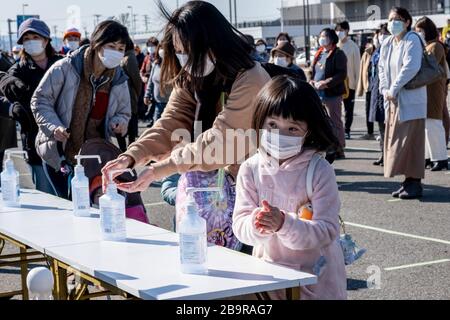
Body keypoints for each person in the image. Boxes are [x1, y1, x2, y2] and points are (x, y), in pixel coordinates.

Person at [102, 0, 270, 207]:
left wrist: (160, 169)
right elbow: (171, 123)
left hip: (253, 191)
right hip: (209, 188)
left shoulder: (251, 79)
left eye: (189, 50)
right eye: (179, 51)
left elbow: (223, 141)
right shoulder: (191, 79)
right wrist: (131, 156)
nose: (184, 59)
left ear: (214, 43)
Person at [232, 76, 346, 300]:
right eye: (272, 125)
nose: (280, 135)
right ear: (260, 122)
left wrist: (284, 223)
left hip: (317, 282)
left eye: (292, 128)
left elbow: (327, 230)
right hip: (268, 278)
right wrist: (257, 223)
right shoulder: (250, 168)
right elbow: (240, 225)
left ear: (309, 131)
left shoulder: (320, 171)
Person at [31, 20, 132, 199]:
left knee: (91, 211)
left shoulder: (118, 79)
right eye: (111, 46)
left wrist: (120, 123)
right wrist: (54, 127)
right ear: (96, 44)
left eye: (120, 48)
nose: (116, 52)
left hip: (95, 159)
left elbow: (123, 112)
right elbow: (40, 100)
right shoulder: (66, 67)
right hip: (59, 155)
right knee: (65, 208)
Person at [0, 18, 63, 195]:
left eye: (35, 36)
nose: (31, 41)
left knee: (73, 194)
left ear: (46, 40)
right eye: (26, 39)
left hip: (65, 139)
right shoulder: (17, 71)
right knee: (47, 194)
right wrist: (13, 107)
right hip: (36, 142)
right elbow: (5, 97)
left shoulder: (62, 64)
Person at [378, 7, 427, 199]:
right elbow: (381, 67)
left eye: (398, 19)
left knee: (411, 143)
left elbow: (411, 67)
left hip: (409, 100)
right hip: (392, 100)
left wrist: (393, 89)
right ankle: (407, 181)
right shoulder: (388, 42)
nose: (393, 23)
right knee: (397, 142)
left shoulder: (412, 39)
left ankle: (415, 183)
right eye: (390, 19)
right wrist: (384, 89)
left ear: (407, 22)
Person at [415, 17, 449, 171]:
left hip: (434, 89)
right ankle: (429, 157)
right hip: (427, 89)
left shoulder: (435, 46)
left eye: (420, 30)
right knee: (427, 126)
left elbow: (429, 69)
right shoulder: (428, 45)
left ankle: (440, 158)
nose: (418, 33)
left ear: (427, 30)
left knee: (434, 124)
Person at [310, 28, 347, 159]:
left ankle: (339, 147)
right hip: (318, 92)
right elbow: (313, 71)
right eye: (320, 36)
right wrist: (312, 81)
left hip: (332, 93)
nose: (322, 38)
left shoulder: (338, 54)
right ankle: (327, 146)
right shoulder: (319, 53)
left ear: (331, 39)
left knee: (335, 121)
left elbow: (341, 74)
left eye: (324, 36)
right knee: (321, 121)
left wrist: (326, 82)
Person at [369, 24, 391, 167]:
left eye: (384, 33)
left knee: (389, 126)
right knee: (381, 126)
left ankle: (390, 156)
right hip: (376, 90)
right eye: (379, 34)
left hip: (386, 91)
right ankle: (383, 154)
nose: (380, 36)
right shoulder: (377, 50)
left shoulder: (390, 48)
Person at [336, 21, 361, 139]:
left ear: (347, 30)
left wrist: (356, 84)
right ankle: (337, 129)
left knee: (348, 109)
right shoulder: (335, 46)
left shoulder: (353, 46)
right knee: (336, 109)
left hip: (349, 83)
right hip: (336, 83)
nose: (339, 32)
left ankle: (347, 130)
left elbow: (357, 66)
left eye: (341, 30)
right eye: (337, 30)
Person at [117, 38, 142, 152]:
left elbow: (136, 79)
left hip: (129, 96)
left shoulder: (129, 58)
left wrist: (137, 94)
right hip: (123, 96)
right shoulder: (124, 57)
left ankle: (129, 150)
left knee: (130, 126)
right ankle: (124, 150)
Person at [143, 44, 172, 126]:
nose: (162, 50)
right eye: (161, 47)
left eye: (164, 48)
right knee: (157, 126)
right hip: (158, 103)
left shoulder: (174, 64)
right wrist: (147, 95)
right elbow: (150, 82)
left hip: (170, 103)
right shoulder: (156, 64)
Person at [356, 33, 376, 140]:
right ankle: (370, 132)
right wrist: (360, 88)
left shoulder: (387, 50)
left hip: (382, 87)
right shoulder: (367, 53)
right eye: (379, 34)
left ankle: (385, 133)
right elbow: (362, 71)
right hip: (370, 86)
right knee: (368, 110)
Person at [140, 37, 159, 123]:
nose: (151, 47)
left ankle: (153, 120)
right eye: (149, 45)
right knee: (150, 103)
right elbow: (142, 71)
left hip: (157, 85)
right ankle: (152, 120)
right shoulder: (147, 58)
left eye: (153, 45)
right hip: (148, 84)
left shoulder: (160, 57)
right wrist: (142, 77)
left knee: (156, 104)